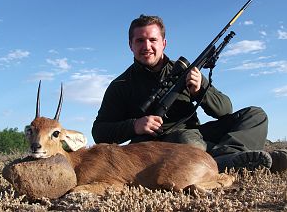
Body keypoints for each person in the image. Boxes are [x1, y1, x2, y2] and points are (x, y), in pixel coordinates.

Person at [92, 15, 283, 172]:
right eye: (140, 40)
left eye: (153, 40)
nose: (147, 46)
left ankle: (228, 158)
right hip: (162, 145)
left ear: (164, 43)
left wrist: (201, 91)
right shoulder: (120, 85)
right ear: (130, 45)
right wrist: (135, 125)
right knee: (187, 141)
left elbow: (225, 109)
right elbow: (99, 132)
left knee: (256, 115)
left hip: (196, 135)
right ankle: (231, 161)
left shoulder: (186, 71)